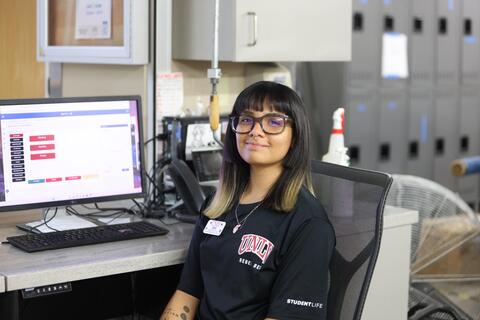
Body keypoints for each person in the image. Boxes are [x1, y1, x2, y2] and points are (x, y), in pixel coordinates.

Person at [160, 81, 335, 320]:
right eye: (246, 119)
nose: (255, 130)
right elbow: (188, 292)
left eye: (274, 122)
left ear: (295, 137)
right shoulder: (217, 205)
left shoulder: (309, 224)